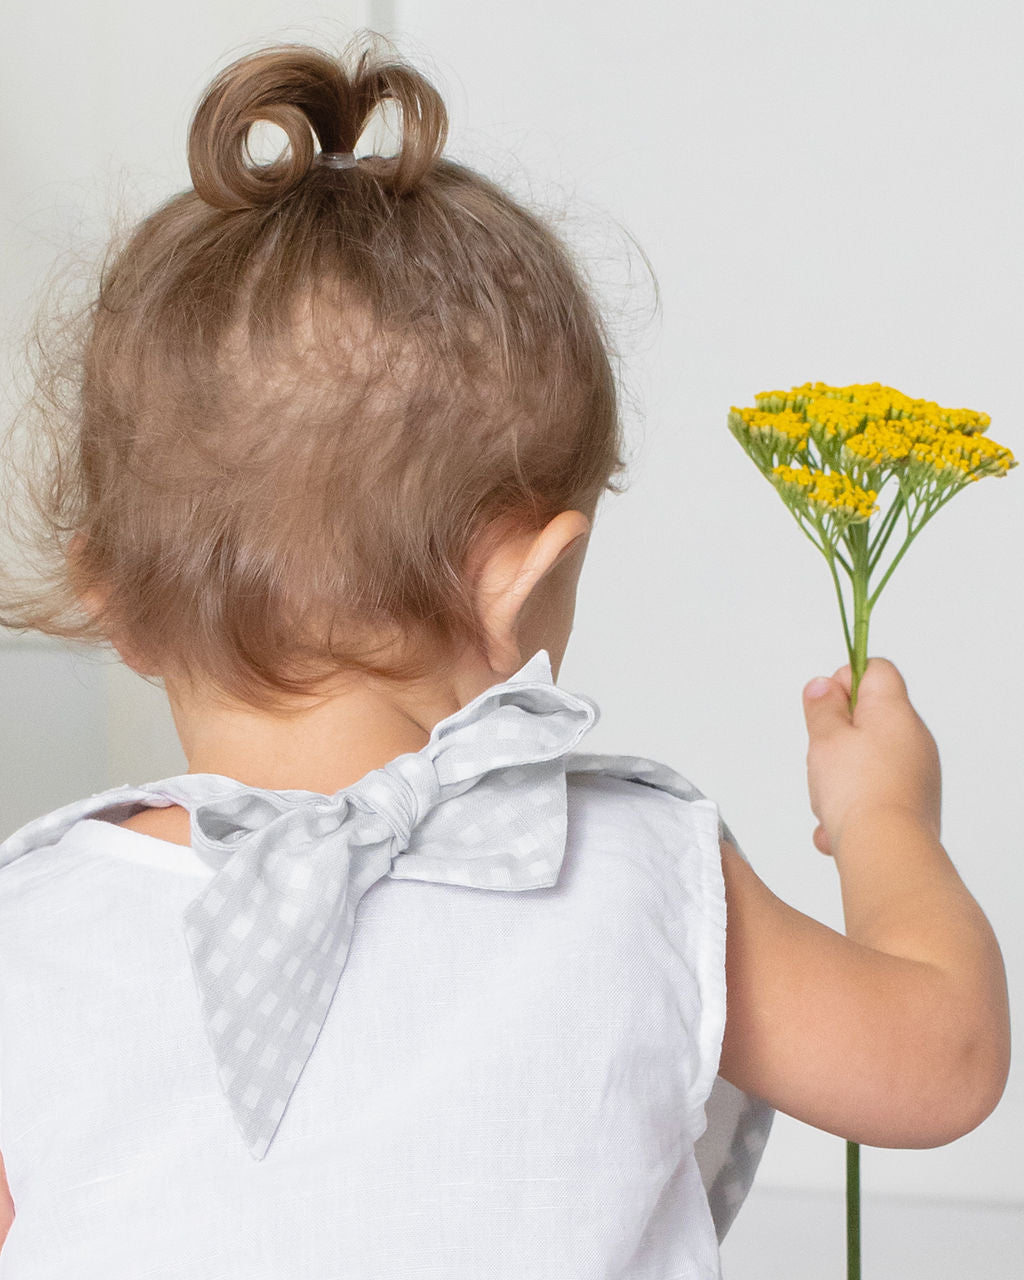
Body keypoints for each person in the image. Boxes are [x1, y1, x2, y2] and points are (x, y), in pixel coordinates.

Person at [0, 39, 1009, 1279]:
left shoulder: (31, 930)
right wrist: (882, 816)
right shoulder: (637, 869)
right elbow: (941, 1061)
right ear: (523, 578)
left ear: (112, 596)